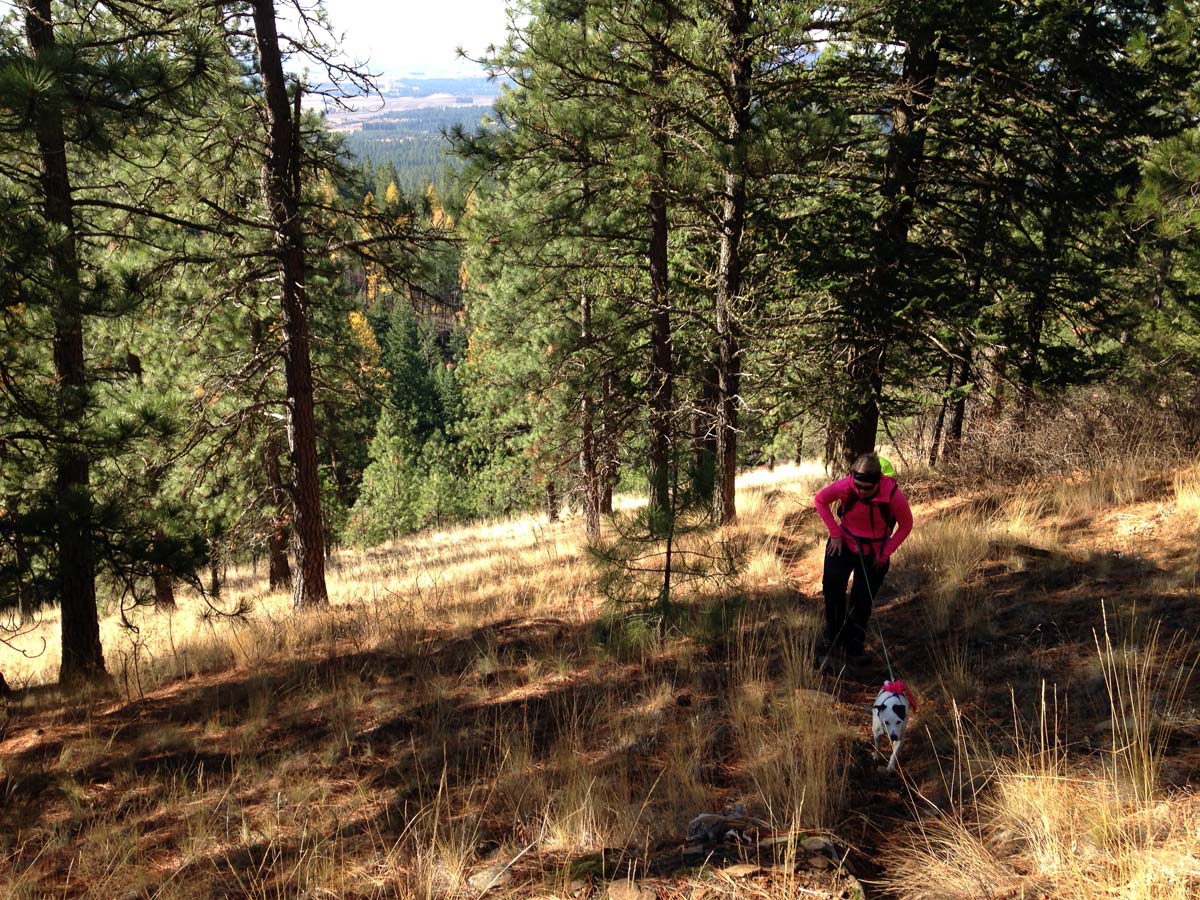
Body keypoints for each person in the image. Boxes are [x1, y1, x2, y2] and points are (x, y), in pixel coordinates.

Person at [814, 452, 913, 660]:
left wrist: (885, 553)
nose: (861, 492)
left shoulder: (893, 495)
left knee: (862, 601)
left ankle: (854, 649)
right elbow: (820, 500)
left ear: (879, 481)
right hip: (843, 545)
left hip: (874, 553)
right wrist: (835, 533)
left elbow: (906, 525)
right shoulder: (845, 486)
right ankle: (833, 639)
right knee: (832, 589)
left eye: (867, 488)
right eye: (857, 486)